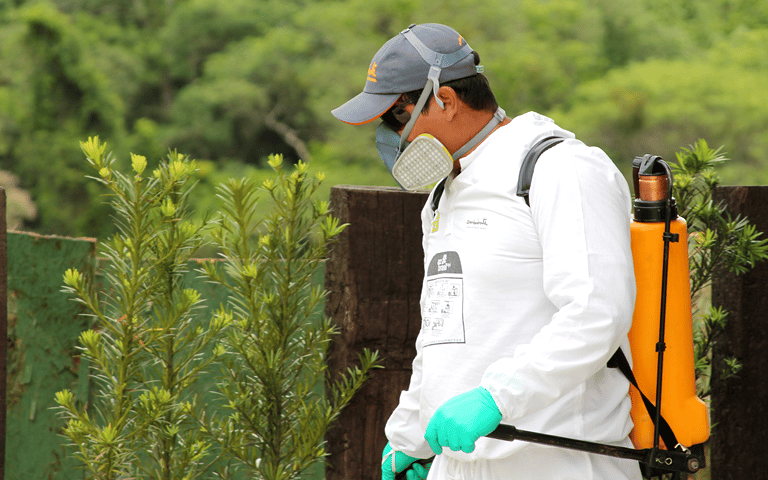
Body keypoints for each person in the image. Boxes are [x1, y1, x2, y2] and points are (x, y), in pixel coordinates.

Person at [332, 23, 641, 480]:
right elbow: (441, 332)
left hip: (559, 462)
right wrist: (410, 440)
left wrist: (497, 398)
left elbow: (596, 313)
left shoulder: (559, 168)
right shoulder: (442, 196)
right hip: (458, 464)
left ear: (446, 100)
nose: (391, 137)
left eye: (397, 118)